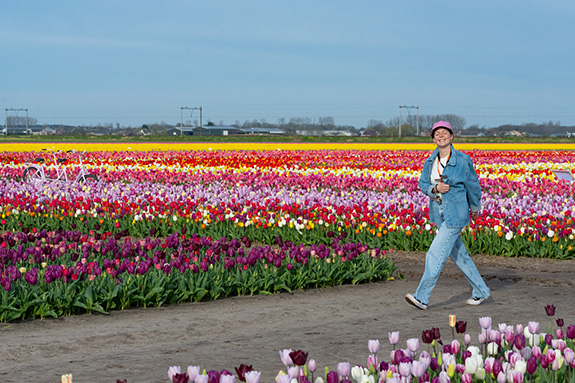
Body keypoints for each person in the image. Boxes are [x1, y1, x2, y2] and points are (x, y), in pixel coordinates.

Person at [405, 121, 490, 310]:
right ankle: (481, 291)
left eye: (444, 133)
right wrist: (434, 188)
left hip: (456, 213)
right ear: (433, 139)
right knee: (460, 256)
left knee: (435, 253)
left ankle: (422, 297)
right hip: (438, 212)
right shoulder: (430, 161)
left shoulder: (462, 160)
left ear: (452, 136)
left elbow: (473, 185)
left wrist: (475, 207)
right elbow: (421, 184)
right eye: (437, 134)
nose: (441, 136)